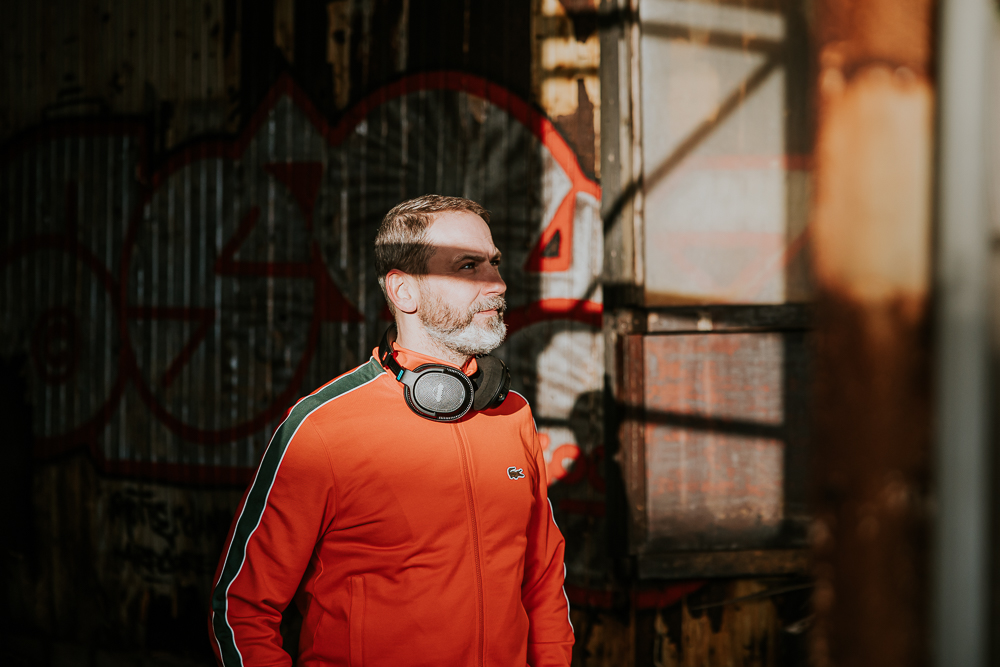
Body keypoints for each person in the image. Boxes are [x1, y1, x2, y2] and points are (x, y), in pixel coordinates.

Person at [209, 195, 574, 666]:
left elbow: (542, 580)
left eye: (494, 264)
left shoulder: (512, 413)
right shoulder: (321, 427)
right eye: (467, 266)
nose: (497, 284)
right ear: (404, 292)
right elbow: (240, 610)